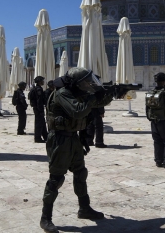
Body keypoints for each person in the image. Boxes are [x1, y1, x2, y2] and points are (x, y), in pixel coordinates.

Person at [40, 67, 114, 232]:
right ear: (76, 83)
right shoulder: (62, 93)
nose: (88, 85)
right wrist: (94, 97)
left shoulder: (76, 92)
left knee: (80, 173)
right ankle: (45, 218)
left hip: (73, 138)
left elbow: (98, 102)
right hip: (59, 140)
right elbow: (78, 111)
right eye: (85, 82)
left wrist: (111, 93)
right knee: (56, 179)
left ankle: (84, 208)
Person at [30, 76, 47, 143]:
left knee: (42, 122)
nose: (43, 82)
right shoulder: (38, 89)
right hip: (38, 109)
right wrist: (40, 110)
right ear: (39, 82)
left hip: (37, 108)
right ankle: (37, 138)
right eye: (42, 81)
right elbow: (39, 101)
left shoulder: (36, 88)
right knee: (38, 123)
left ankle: (45, 136)